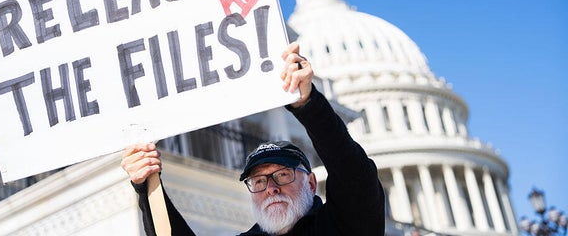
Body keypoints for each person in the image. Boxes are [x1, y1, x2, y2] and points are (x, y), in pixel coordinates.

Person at [121, 42, 385, 235]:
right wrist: (145, 186)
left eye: (282, 175)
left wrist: (308, 104)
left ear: (312, 183)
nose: (271, 188)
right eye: (258, 181)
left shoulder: (343, 224)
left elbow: (354, 173)